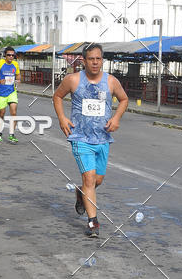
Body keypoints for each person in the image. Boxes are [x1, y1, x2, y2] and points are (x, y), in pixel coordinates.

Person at [53, 43, 128, 238]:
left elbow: (124, 99)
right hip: (80, 137)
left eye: (98, 59)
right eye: (91, 59)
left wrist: (116, 118)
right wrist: (62, 118)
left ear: (102, 60)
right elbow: (57, 96)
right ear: (84, 61)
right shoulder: (73, 80)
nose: (95, 62)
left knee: (97, 180)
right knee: (89, 178)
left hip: (102, 138)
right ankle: (93, 222)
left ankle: (81, 193)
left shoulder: (111, 82)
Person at [0, 46, 21, 143]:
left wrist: (18, 80)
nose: (11, 57)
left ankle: (12, 135)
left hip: (12, 92)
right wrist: (0, 81)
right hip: (1, 92)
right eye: (9, 55)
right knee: (1, 113)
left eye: (13, 55)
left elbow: (18, 74)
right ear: (5, 55)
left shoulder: (15, 64)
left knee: (13, 112)